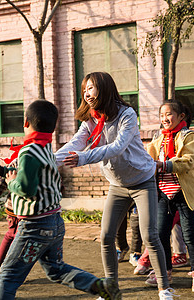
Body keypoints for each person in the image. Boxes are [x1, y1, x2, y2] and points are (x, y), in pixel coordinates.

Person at [0, 100, 121, 300]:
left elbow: (27, 188)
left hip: (33, 227)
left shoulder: (28, 152)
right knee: (56, 270)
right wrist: (2, 170)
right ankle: (100, 286)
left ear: (25, 122)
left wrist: (12, 184)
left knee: (7, 277)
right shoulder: (45, 150)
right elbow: (29, 175)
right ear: (54, 127)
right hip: (54, 223)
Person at [55, 72, 176, 300]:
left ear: (104, 88)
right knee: (106, 236)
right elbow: (76, 142)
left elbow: (118, 147)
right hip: (117, 185)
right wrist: (50, 160)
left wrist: (82, 158)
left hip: (142, 181)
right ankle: (111, 288)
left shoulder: (126, 114)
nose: (86, 93)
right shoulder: (91, 118)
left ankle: (164, 288)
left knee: (149, 235)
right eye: (84, 89)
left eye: (91, 88)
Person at [143, 101, 194, 292]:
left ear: (181, 117)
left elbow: (187, 161)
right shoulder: (158, 137)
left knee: (190, 234)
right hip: (163, 193)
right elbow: (149, 159)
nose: (165, 118)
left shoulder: (188, 136)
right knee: (161, 234)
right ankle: (165, 273)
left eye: (169, 114)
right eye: (162, 115)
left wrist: (163, 165)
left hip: (185, 194)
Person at [115, 202, 142, 266]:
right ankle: (121, 247)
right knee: (118, 223)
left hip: (136, 197)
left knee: (136, 225)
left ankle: (135, 252)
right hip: (120, 195)